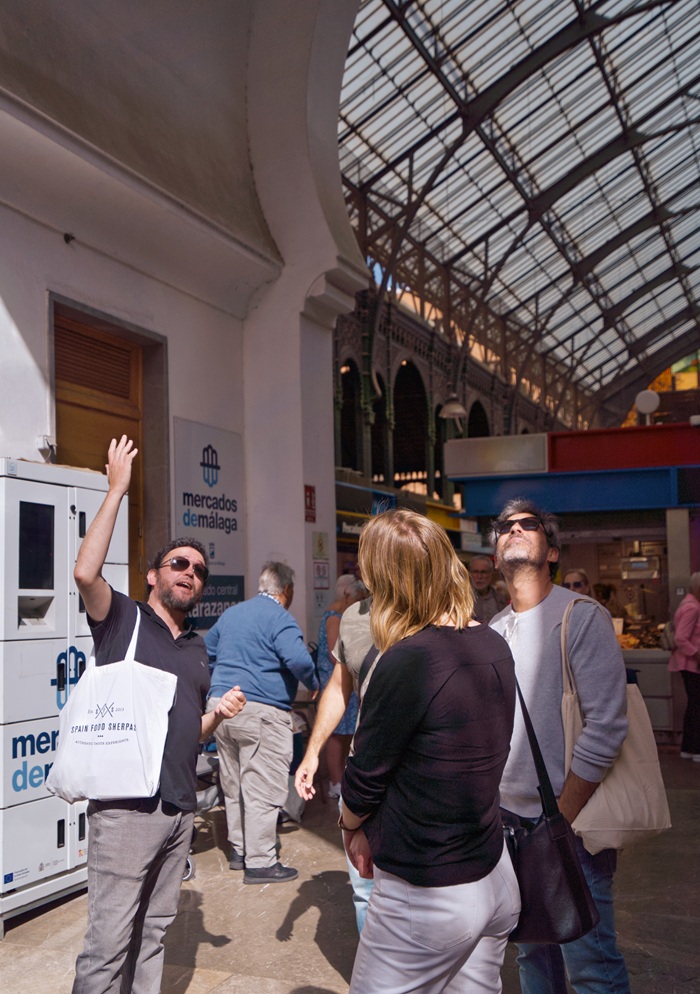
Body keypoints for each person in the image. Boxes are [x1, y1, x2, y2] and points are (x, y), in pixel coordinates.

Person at [71, 436, 246, 994]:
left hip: (177, 809)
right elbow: (83, 573)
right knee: (107, 947)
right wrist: (117, 490)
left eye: (198, 569)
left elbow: (185, 735)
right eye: (178, 564)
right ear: (153, 575)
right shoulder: (122, 620)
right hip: (125, 813)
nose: (189, 572)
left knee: (153, 936)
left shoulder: (197, 648)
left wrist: (216, 715)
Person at [340, 509, 520, 993]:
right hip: (493, 874)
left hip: (430, 891)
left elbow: (364, 775)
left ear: (387, 579)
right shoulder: (492, 642)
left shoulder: (409, 658)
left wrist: (350, 826)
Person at [490, 497, 630, 994]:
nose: (515, 529)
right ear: (493, 558)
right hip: (511, 828)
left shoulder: (580, 616)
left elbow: (607, 726)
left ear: (552, 552)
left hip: (571, 826)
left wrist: (563, 819)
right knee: (533, 959)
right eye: (505, 527)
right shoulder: (492, 631)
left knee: (591, 966)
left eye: (529, 524)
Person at [205, 561, 319, 883]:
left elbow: (208, 650)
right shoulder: (280, 618)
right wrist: (313, 682)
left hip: (222, 708)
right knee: (262, 786)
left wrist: (225, 677)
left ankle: (239, 850)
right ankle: (261, 861)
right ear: (287, 590)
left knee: (234, 783)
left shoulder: (232, 613)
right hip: (259, 711)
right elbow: (298, 659)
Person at [294, 594, 375, 932]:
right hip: (367, 772)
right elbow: (339, 686)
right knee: (366, 890)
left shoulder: (435, 607)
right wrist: (311, 753)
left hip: (419, 780)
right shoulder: (355, 616)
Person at [315, 574, 366, 798]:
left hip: (344, 681)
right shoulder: (335, 618)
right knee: (336, 735)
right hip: (335, 682)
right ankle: (336, 781)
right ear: (346, 595)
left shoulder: (338, 615)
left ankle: (341, 778)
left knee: (345, 733)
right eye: (356, 599)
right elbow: (336, 655)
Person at [668, 572, 700, 761]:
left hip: (689, 664)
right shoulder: (692, 608)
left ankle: (689, 748)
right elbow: (681, 637)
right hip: (691, 665)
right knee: (696, 706)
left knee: (694, 706)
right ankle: (695, 749)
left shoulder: (689, 605)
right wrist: (696, 653)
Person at [469, 553, 509, 623]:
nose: (479, 576)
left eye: (483, 572)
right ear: (469, 574)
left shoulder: (501, 599)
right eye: (475, 572)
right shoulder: (461, 599)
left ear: (491, 573)